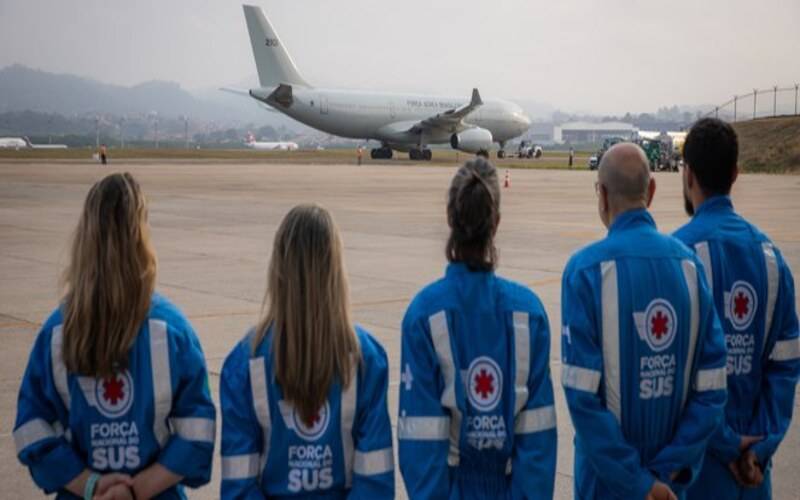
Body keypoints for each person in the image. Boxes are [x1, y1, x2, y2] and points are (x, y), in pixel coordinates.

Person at [14, 172, 216, 499]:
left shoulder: (54, 334)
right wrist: (142, 487)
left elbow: (32, 430)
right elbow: (198, 431)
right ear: (143, 237)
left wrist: (91, 485)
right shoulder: (174, 332)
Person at [560, 143, 727, 500]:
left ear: (602, 195)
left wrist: (638, 484)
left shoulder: (585, 272)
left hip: (606, 486)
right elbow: (712, 388)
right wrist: (663, 475)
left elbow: (583, 401)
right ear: (651, 191)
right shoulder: (690, 268)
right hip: (671, 488)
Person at [398, 158, 557, 499]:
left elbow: (421, 447)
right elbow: (538, 445)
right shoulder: (529, 315)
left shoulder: (424, 317)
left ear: (449, 218)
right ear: (496, 223)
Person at [219, 204, 394, 499]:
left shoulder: (244, 363)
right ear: (336, 270)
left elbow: (239, 487)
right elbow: (375, 483)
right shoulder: (367, 359)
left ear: (277, 268)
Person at [675, 118, 800, 500]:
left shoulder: (675, 259)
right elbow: (786, 366)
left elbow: (674, 375)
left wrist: (727, 444)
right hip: (754, 476)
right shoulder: (771, 259)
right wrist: (759, 449)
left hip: (698, 472)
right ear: (735, 173)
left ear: (688, 174)